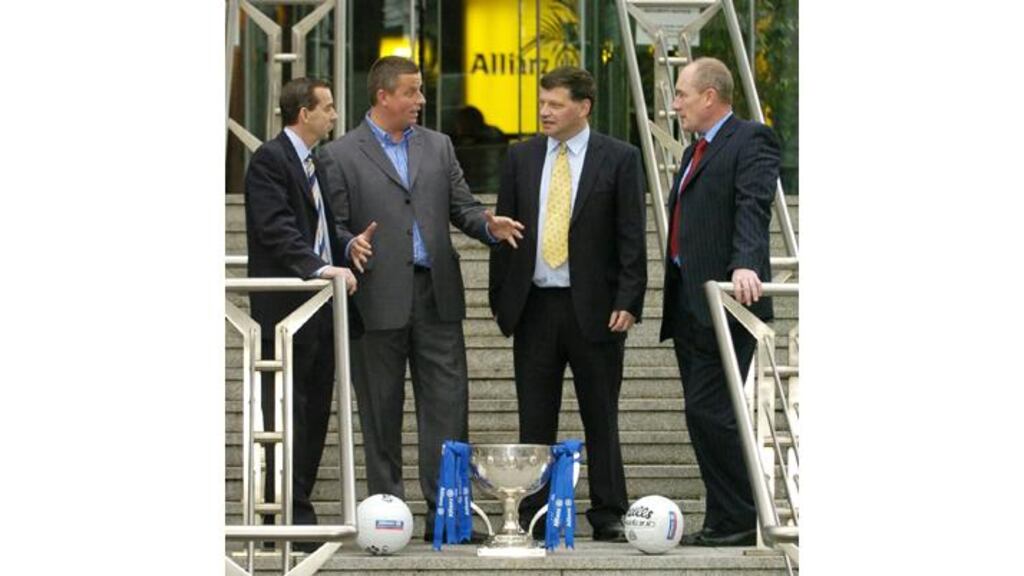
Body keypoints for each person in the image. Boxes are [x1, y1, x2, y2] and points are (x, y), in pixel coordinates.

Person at [319, 56, 524, 542]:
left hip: (436, 296)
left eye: (421, 91)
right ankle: (387, 519)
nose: (421, 101)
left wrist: (487, 225)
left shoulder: (439, 145)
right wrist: (350, 245)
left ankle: (448, 516)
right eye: (412, 92)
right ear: (383, 95)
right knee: (380, 412)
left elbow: (462, 207)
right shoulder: (341, 154)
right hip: (374, 298)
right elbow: (334, 226)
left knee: (448, 409)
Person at [488, 66, 647, 543]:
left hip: (595, 308)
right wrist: (502, 301)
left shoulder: (619, 158)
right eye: (542, 103)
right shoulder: (521, 157)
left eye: (555, 104)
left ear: (584, 106)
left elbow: (631, 237)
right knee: (534, 418)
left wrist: (629, 299)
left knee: (602, 413)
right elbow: (506, 233)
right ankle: (535, 512)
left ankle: (608, 512)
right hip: (534, 306)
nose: (545, 112)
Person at [660, 57, 780, 547]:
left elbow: (753, 202)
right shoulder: (694, 151)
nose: (675, 104)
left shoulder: (749, 138)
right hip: (689, 304)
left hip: (729, 299)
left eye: (682, 94)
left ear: (710, 95)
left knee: (712, 412)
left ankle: (741, 516)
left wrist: (745, 263)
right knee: (701, 413)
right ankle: (723, 518)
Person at [243, 77, 359, 548]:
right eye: (327, 107)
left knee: (313, 416)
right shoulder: (270, 160)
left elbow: (321, 227)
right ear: (303, 113)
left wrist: (348, 246)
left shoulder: (317, 162)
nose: (334, 115)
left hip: (322, 311)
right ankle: (289, 516)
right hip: (287, 311)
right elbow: (276, 229)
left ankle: (297, 511)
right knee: (288, 414)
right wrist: (318, 267)